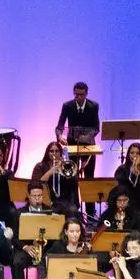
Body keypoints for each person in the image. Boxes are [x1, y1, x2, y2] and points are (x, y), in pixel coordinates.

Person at [55, 81, 100, 217]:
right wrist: (59, 136)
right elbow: (59, 126)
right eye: (76, 95)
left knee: (89, 178)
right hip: (72, 144)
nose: (78, 97)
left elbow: (96, 127)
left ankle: (90, 211)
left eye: (81, 95)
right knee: (71, 176)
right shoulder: (67, 106)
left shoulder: (94, 106)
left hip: (88, 145)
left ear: (86, 93)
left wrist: (87, 136)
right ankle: (74, 207)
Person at [7, 180, 53, 279]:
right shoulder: (19, 213)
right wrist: (25, 247)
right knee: (16, 262)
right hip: (27, 249)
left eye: (40, 196)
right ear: (28, 195)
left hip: (45, 249)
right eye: (35, 196)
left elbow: (56, 235)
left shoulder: (50, 211)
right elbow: (14, 237)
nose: (38, 199)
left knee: (53, 262)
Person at [32, 140, 79, 216]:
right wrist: (51, 171)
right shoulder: (40, 166)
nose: (54, 153)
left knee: (72, 210)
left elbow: (73, 182)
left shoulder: (66, 166)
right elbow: (36, 184)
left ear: (60, 153)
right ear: (47, 153)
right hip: (46, 201)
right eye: (51, 151)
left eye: (57, 151)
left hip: (64, 202)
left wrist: (64, 169)